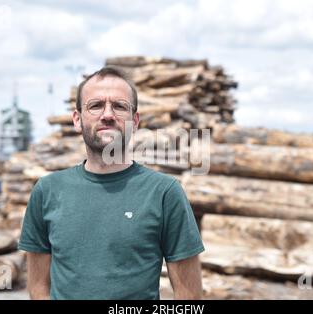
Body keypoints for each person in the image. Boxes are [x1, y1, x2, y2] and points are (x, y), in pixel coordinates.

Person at [18, 67, 204, 300]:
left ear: (135, 121)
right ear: (77, 119)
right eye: (96, 106)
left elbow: (190, 296)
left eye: (119, 106)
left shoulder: (164, 192)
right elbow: (38, 287)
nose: (108, 114)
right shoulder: (47, 191)